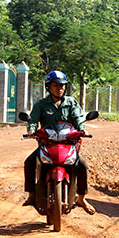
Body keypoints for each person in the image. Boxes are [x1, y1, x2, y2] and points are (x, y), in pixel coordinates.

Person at [22, 70, 96, 215]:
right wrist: (31, 130)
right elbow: (33, 120)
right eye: (55, 85)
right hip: (47, 145)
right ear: (48, 87)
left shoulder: (71, 102)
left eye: (62, 85)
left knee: (82, 165)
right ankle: (31, 195)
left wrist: (83, 130)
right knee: (29, 162)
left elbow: (78, 119)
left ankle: (81, 198)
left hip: (67, 145)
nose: (59, 88)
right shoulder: (41, 104)